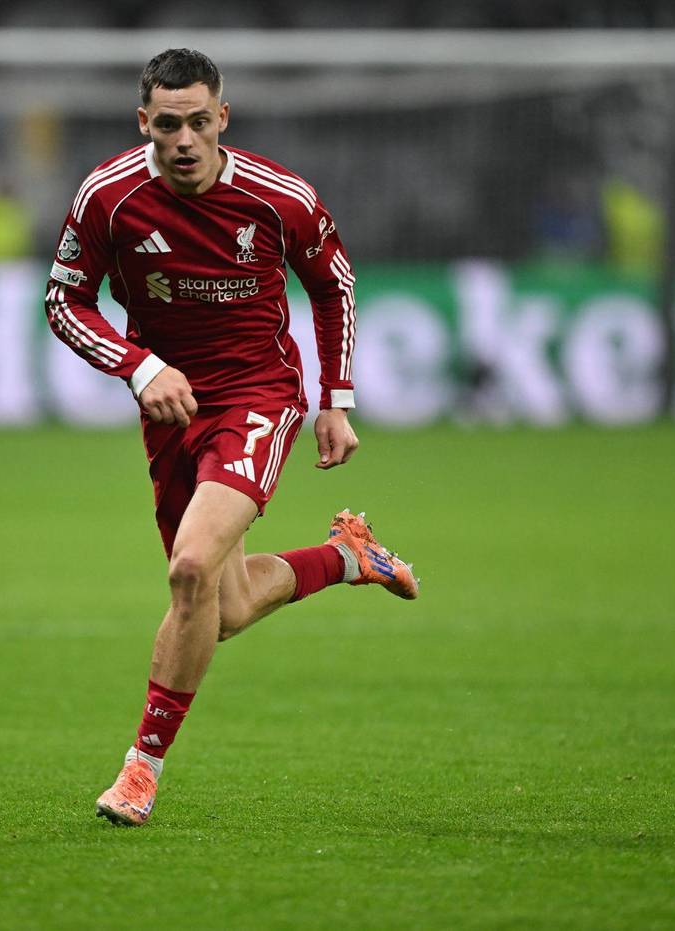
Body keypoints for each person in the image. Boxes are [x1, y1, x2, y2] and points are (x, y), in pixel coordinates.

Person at [44, 48, 419, 827]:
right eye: (167, 124)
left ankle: (140, 772)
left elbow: (333, 283)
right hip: (171, 410)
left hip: (257, 396)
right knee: (226, 604)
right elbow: (64, 301)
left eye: (198, 121)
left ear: (223, 117)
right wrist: (139, 366)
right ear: (143, 122)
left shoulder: (279, 198)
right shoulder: (109, 197)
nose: (184, 140)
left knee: (189, 570)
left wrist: (335, 399)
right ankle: (347, 557)